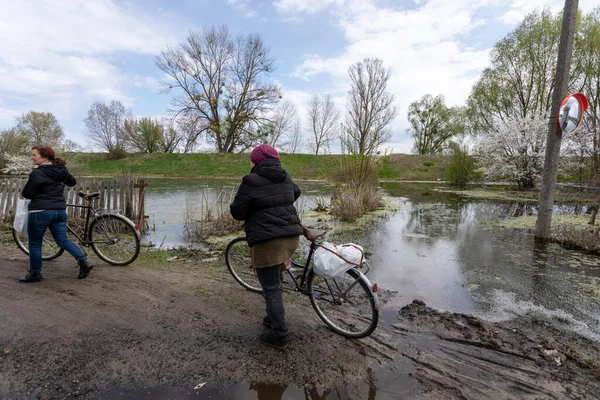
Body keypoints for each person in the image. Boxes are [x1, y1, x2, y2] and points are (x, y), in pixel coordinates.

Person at [230, 144, 303, 349]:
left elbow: (238, 212)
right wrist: (279, 205)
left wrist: (259, 208)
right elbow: (296, 192)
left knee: (271, 289)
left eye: (251, 159)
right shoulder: (285, 177)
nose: (250, 163)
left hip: (268, 240)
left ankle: (279, 335)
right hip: (291, 237)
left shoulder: (251, 180)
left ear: (257, 161)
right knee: (275, 280)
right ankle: (272, 318)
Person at [18, 145, 93, 283]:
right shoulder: (61, 169)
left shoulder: (37, 173)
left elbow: (27, 193)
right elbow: (72, 182)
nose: (32, 157)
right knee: (63, 240)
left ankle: (35, 274)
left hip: (40, 212)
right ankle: (83, 261)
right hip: (59, 211)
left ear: (44, 156)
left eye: (34, 155)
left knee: (35, 244)